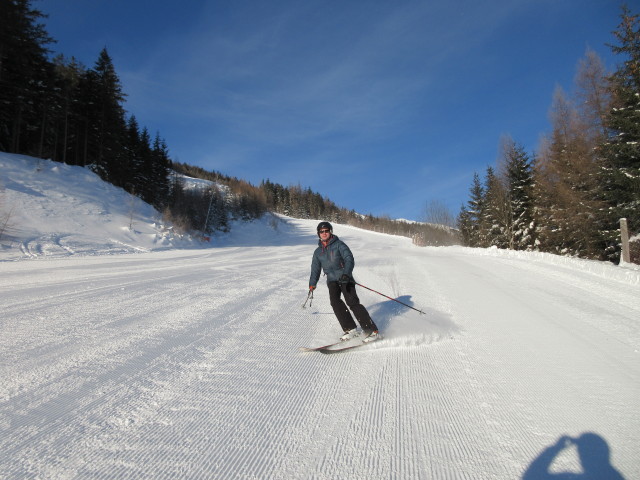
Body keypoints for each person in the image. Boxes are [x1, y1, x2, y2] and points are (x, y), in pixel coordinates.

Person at [309, 221, 379, 343]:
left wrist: (346, 274)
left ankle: (372, 331)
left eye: (326, 231)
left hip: (345, 279)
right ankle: (350, 329)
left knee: (352, 302)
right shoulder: (317, 252)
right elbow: (315, 269)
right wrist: (312, 283)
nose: (324, 233)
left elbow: (349, 259)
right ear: (318, 234)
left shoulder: (339, 245)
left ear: (330, 231)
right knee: (335, 303)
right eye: (321, 231)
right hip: (332, 280)